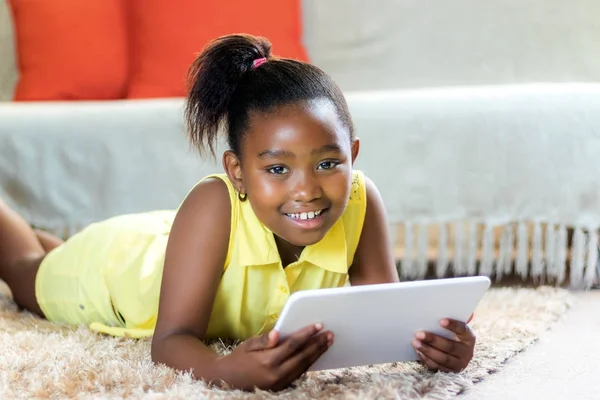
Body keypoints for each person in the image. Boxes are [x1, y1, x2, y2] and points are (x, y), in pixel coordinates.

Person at [0, 34, 476, 391]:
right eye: (277, 168)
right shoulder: (212, 203)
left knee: (49, 252)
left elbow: (385, 316)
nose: (306, 190)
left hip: (178, 242)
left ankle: (52, 245)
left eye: (328, 163)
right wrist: (226, 369)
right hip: (120, 273)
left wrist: (437, 346)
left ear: (352, 154)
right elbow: (170, 342)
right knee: (27, 273)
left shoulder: (360, 197)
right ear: (238, 172)